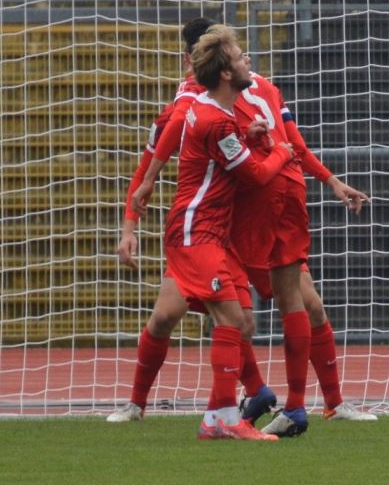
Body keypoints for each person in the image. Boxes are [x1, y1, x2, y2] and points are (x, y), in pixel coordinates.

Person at [127, 25, 293, 441]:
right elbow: (254, 176)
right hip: (196, 232)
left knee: (236, 319)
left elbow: (220, 150)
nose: (246, 61)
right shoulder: (212, 120)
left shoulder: (214, 115)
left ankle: (219, 418)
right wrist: (282, 152)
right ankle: (221, 418)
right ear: (224, 73)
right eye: (239, 57)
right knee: (230, 318)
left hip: (209, 234)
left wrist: (246, 134)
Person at [233, 69, 375, 437]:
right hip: (246, 202)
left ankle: (318, 402)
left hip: (257, 202)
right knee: (235, 305)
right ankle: (252, 396)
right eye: (235, 51)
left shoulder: (258, 87)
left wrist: (330, 179)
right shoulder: (197, 94)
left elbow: (293, 141)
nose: (243, 57)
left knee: (290, 302)